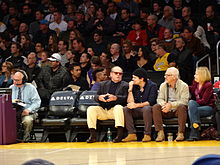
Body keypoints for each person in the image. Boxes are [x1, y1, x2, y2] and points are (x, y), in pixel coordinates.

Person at [86, 66, 128, 143]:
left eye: (120, 74)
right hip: (104, 110)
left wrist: (115, 98)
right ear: (111, 74)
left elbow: (125, 98)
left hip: (114, 111)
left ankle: (119, 135)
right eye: (116, 73)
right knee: (91, 109)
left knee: (119, 107)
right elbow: (95, 96)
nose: (118, 75)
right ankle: (93, 135)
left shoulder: (125, 85)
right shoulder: (103, 84)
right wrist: (99, 97)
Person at [152, 67, 189, 142]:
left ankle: (181, 133)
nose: (165, 77)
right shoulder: (163, 85)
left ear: (174, 77)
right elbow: (159, 99)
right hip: (165, 109)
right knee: (156, 107)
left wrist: (171, 105)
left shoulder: (184, 86)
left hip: (177, 110)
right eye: (165, 75)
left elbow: (184, 101)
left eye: (167, 75)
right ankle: (160, 132)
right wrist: (164, 105)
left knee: (182, 107)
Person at [122, 68, 157, 142]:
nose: (132, 79)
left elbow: (151, 102)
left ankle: (147, 134)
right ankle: (131, 134)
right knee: (126, 108)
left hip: (148, 110)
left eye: (134, 77)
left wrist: (136, 105)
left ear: (141, 78)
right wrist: (130, 90)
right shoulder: (134, 86)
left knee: (146, 108)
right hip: (138, 110)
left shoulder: (152, 85)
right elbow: (130, 103)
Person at [10, 70, 41, 141]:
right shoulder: (11, 88)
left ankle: (25, 139)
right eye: (14, 80)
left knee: (27, 121)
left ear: (24, 80)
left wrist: (28, 110)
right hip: (15, 113)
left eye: (17, 80)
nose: (15, 82)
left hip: (28, 112)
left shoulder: (31, 88)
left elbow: (37, 102)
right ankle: (11, 138)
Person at [187, 67, 215, 141]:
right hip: (197, 107)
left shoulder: (208, 85)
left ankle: (194, 133)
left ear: (202, 75)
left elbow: (205, 101)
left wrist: (192, 106)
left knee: (191, 109)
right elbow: (191, 89)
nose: (194, 76)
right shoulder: (195, 83)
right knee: (191, 105)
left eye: (196, 74)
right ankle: (196, 125)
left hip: (208, 107)